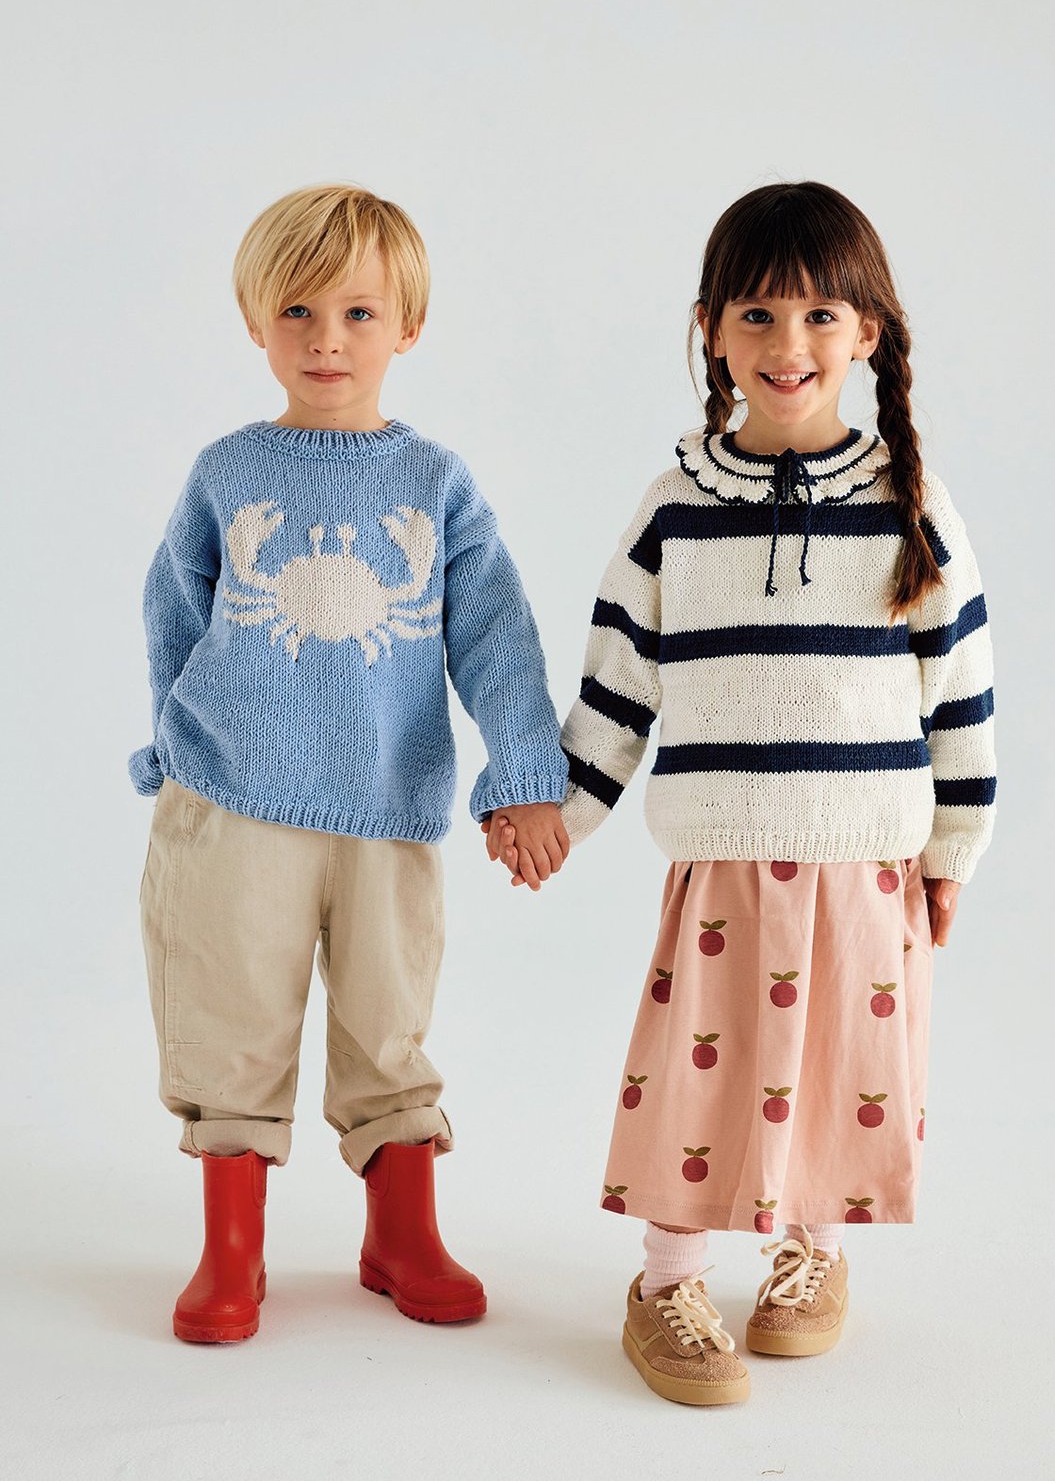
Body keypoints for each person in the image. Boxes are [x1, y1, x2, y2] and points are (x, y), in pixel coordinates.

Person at [504, 181, 996, 1404]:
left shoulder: (912, 506)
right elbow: (619, 680)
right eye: (760, 316)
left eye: (822, 316)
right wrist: (560, 814)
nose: (790, 345)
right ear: (712, 331)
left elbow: (963, 693)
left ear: (867, 333)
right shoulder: (676, 509)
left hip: (869, 861)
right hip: (724, 857)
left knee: (839, 1067)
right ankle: (666, 1280)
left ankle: (811, 1254)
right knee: (700, 1074)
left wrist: (954, 853)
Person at [131, 184, 570, 1343]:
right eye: (298, 311)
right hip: (232, 800)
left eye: (359, 313)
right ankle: (232, 1249)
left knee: (389, 1020)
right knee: (227, 1013)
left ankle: (401, 1232)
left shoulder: (436, 483)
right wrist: (169, 747)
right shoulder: (225, 473)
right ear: (255, 321)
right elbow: (173, 613)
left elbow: (496, 634)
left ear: (408, 326)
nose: (327, 339)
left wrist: (525, 774)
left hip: (387, 803)